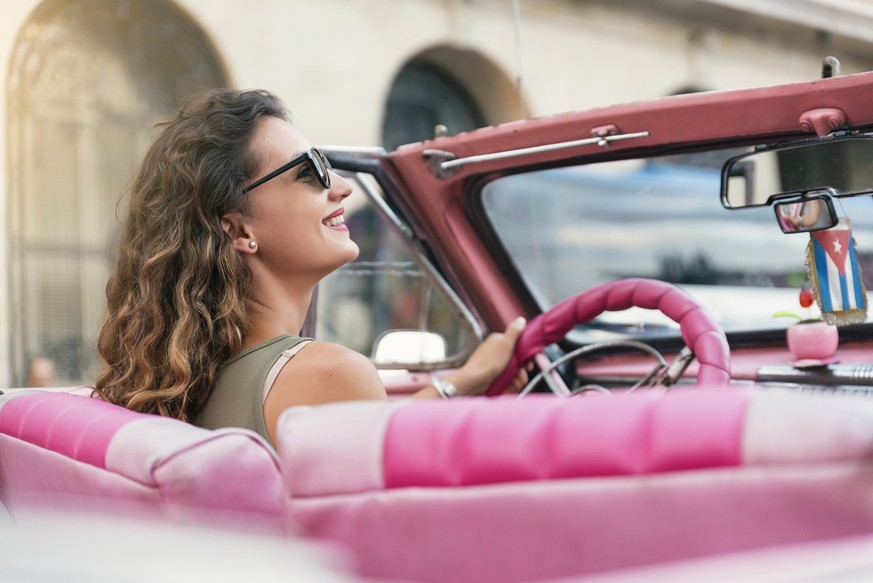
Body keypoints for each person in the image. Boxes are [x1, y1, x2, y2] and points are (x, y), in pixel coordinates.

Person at [95, 89, 528, 447]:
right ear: (238, 228)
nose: (341, 187)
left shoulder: (187, 380)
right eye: (310, 172)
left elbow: (356, 426)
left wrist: (464, 381)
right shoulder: (328, 374)